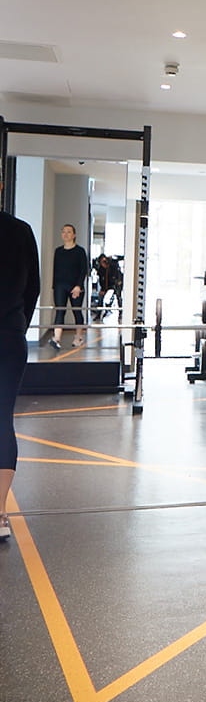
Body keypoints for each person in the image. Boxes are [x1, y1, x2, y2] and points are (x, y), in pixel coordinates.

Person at [0, 176, 41, 542]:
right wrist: (16, 325)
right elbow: (34, 288)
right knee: (1, 419)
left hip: (10, 334)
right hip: (9, 337)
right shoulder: (20, 231)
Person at [51, 224, 88, 350]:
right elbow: (56, 270)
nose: (65, 234)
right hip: (60, 285)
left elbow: (83, 270)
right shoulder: (58, 251)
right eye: (63, 232)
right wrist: (54, 286)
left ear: (74, 235)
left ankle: (78, 337)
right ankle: (56, 339)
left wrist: (78, 286)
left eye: (69, 232)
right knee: (60, 311)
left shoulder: (80, 251)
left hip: (75, 286)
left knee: (76, 311)